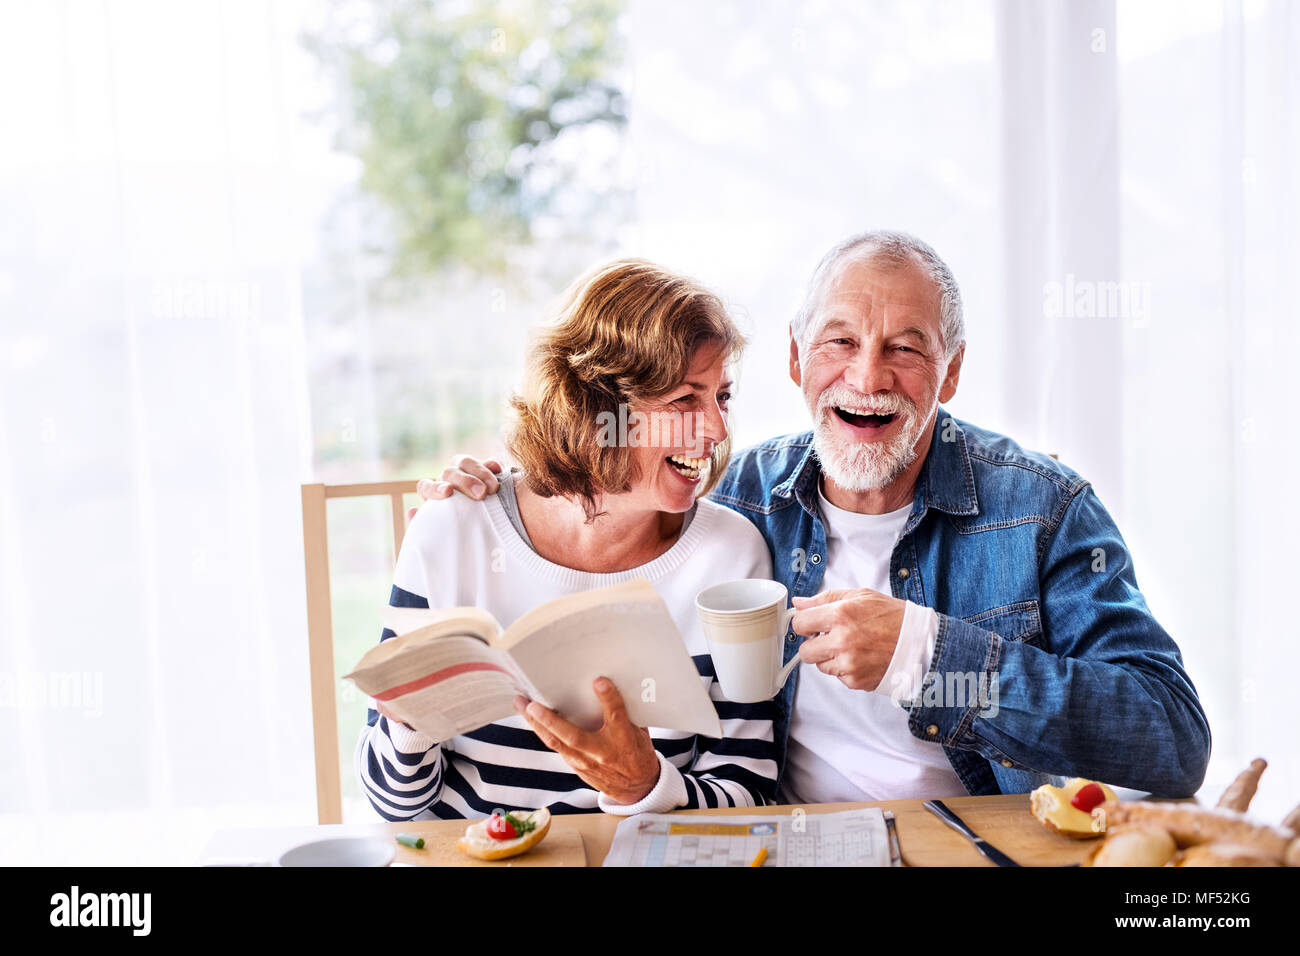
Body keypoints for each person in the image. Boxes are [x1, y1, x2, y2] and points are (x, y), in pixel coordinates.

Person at [425, 230, 1212, 801]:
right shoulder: (735, 502)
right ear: (798, 360)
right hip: (779, 843)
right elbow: (604, 501)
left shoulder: (1041, 509)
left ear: (954, 369)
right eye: (840, 340)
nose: (868, 376)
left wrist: (927, 656)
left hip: (974, 844)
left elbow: (1174, 741)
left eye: (907, 348)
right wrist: (503, 487)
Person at [356, 259, 780, 822]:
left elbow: (751, 788)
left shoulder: (731, 554)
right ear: (598, 408)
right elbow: (392, 804)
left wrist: (646, 786)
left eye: (721, 397)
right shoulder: (452, 528)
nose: (717, 430)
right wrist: (411, 718)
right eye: (685, 400)